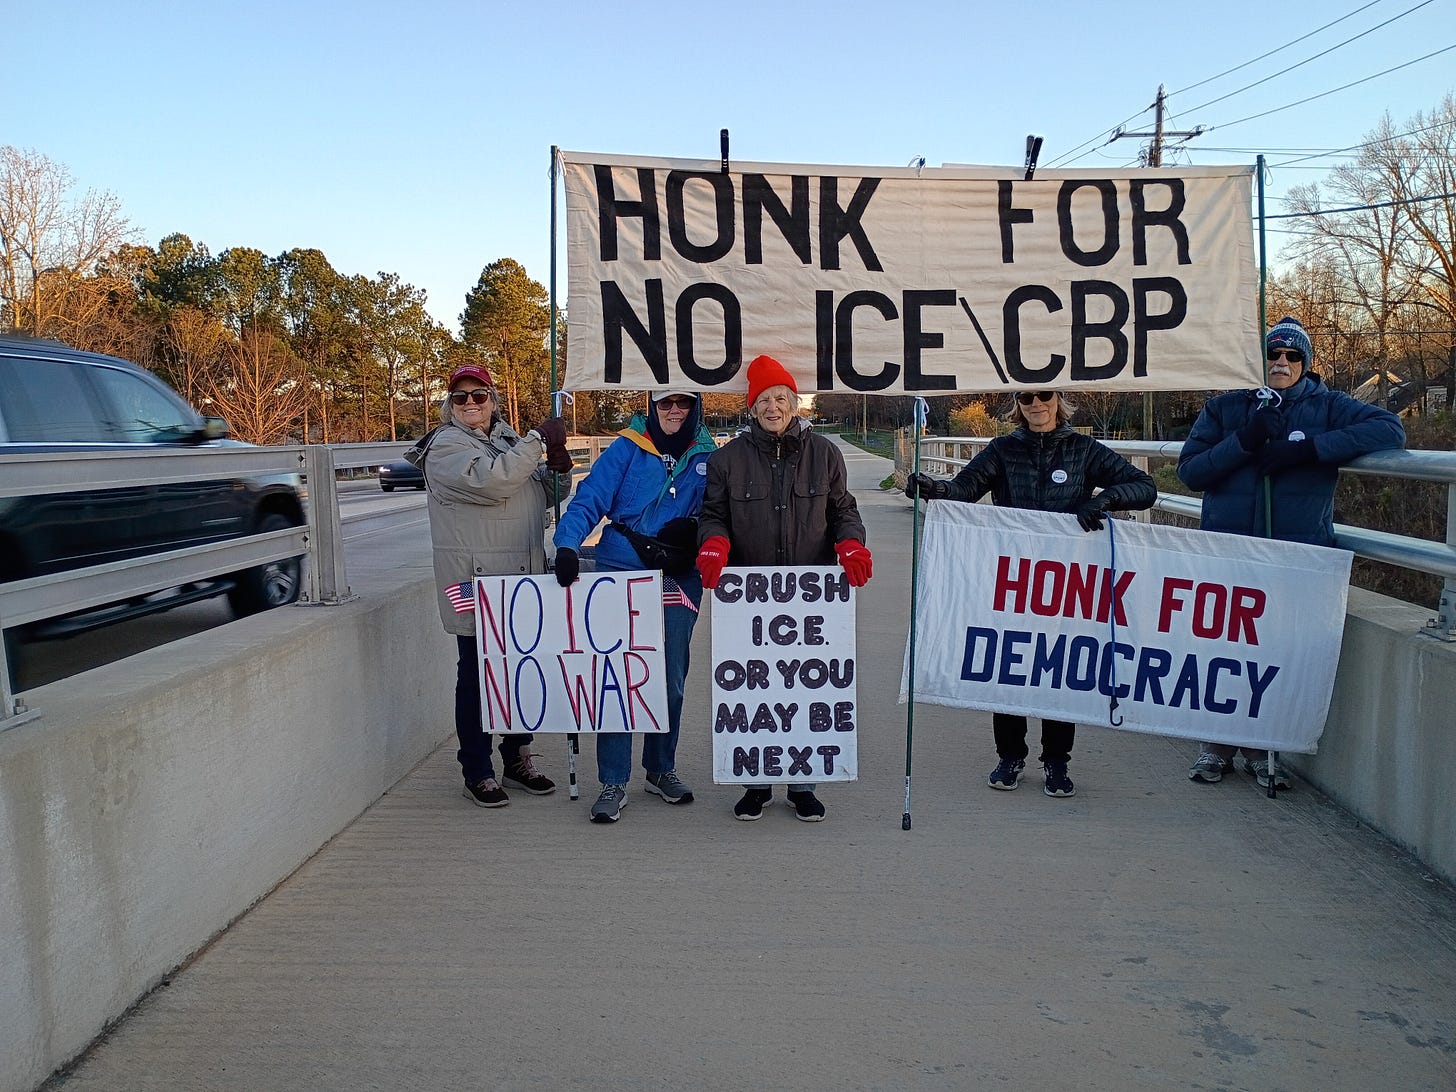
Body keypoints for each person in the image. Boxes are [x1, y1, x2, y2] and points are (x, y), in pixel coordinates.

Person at [1177, 316, 1405, 788]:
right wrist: (1244, 441)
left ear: (1305, 362)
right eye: (1273, 354)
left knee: (1279, 652)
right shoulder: (1226, 407)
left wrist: (1309, 450)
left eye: (1292, 355)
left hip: (1295, 556)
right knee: (1223, 650)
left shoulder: (1329, 406)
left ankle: (1265, 748)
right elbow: (1192, 472)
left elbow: (1389, 431)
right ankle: (1215, 744)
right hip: (1232, 553)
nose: (1281, 362)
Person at [905, 388, 1156, 798]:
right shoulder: (1003, 449)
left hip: (1064, 579)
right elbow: (966, 487)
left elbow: (1144, 486)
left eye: (1044, 395)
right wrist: (935, 488)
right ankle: (1010, 756)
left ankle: (1057, 761)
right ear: (1017, 405)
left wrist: (1104, 500)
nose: (1036, 404)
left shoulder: (1083, 450)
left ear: (1058, 400)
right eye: (1026, 398)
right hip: (1013, 577)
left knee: (1058, 668)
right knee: (1009, 662)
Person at [697, 354, 874, 822]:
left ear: (794, 404)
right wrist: (713, 543)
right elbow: (714, 514)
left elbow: (843, 509)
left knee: (806, 686)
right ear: (751, 407)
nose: (772, 407)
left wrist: (851, 544)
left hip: (809, 597)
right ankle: (756, 782)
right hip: (750, 599)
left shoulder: (825, 454)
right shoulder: (726, 460)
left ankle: (803, 783)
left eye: (780, 398)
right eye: (763, 401)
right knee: (755, 687)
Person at [407, 363, 575, 808]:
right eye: (460, 397)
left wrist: (558, 472)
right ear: (449, 405)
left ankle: (517, 758)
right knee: (477, 676)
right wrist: (537, 441)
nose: (470, 403)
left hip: (520, 580)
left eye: (478, 395)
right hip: (476, 582)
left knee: (519, 672)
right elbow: (492, 481)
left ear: (493, 401)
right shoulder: (446, 446)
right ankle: (477, 770)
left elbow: (541, 494)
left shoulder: (504, 439)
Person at [552, 390, 717, 824]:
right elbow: (591, 497)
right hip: (622, 569)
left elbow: (719, 512)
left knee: (671, 678)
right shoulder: (628, 446)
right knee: (618, 675)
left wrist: (696, 532)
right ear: (652, 406)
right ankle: (613, 779)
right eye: (665, 403)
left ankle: (660, 768)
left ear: (696, 406)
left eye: (683, 402)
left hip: (677, 574)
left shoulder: (708, 453)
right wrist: (567, 543)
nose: (674, 410)